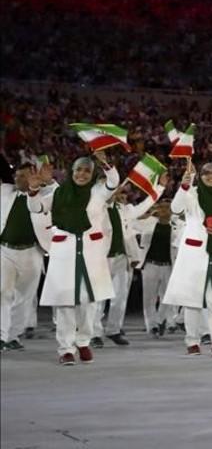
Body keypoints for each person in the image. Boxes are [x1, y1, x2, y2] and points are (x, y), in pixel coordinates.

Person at [34, 154, 120, 366]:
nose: (81, 174)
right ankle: (66, 349)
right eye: (78, 170)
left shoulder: (98, 192)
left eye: (86, 171)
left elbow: (113, 182)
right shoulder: (58, 192)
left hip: (91, 252)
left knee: (89, 302)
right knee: (66, 302)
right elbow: (36, 207)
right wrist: (33, 191)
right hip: (65, 251)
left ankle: (83, 342)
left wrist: (107, 164)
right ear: (71, 172)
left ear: (92, 174)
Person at [162, 161, 212, 357]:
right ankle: (192, 342)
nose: (211, 176)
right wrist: (185, 185)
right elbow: (176, 208)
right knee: (193, 299)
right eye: (206, 173)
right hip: (195, 253)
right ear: (201, 175)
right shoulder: (192, 194)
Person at [93, 184, 159, 347]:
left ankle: (114, 330)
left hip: (123, 257)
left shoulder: (124, 209)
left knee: (120, 297)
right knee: (98, 298)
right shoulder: (94, 209)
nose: (114, 192)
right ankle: (94, 333)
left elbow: (144, 206)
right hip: (101, 259)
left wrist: (160, 187)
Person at [1, 160, 53, 351]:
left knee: (25, 297)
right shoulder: (5, 191)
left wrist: (46, 182)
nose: (17, 178)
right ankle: (1, 335)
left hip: (32, 252)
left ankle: (13, 337)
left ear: (33, 176)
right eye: (16, 175)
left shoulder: (46, 195)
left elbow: (58, 193)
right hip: (5, 250)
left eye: (22, 175)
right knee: (2, 292)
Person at [132, 200, 179, 337]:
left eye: (167, 208)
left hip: (169, 265)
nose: (164, 210)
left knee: (168, 297)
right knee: (149, 298)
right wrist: (145, 214)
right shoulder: (148, 223)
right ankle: (152, 326)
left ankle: (160, 319)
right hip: (150, 265)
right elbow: (130, 223)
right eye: (161, 207)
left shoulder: (176, 225)